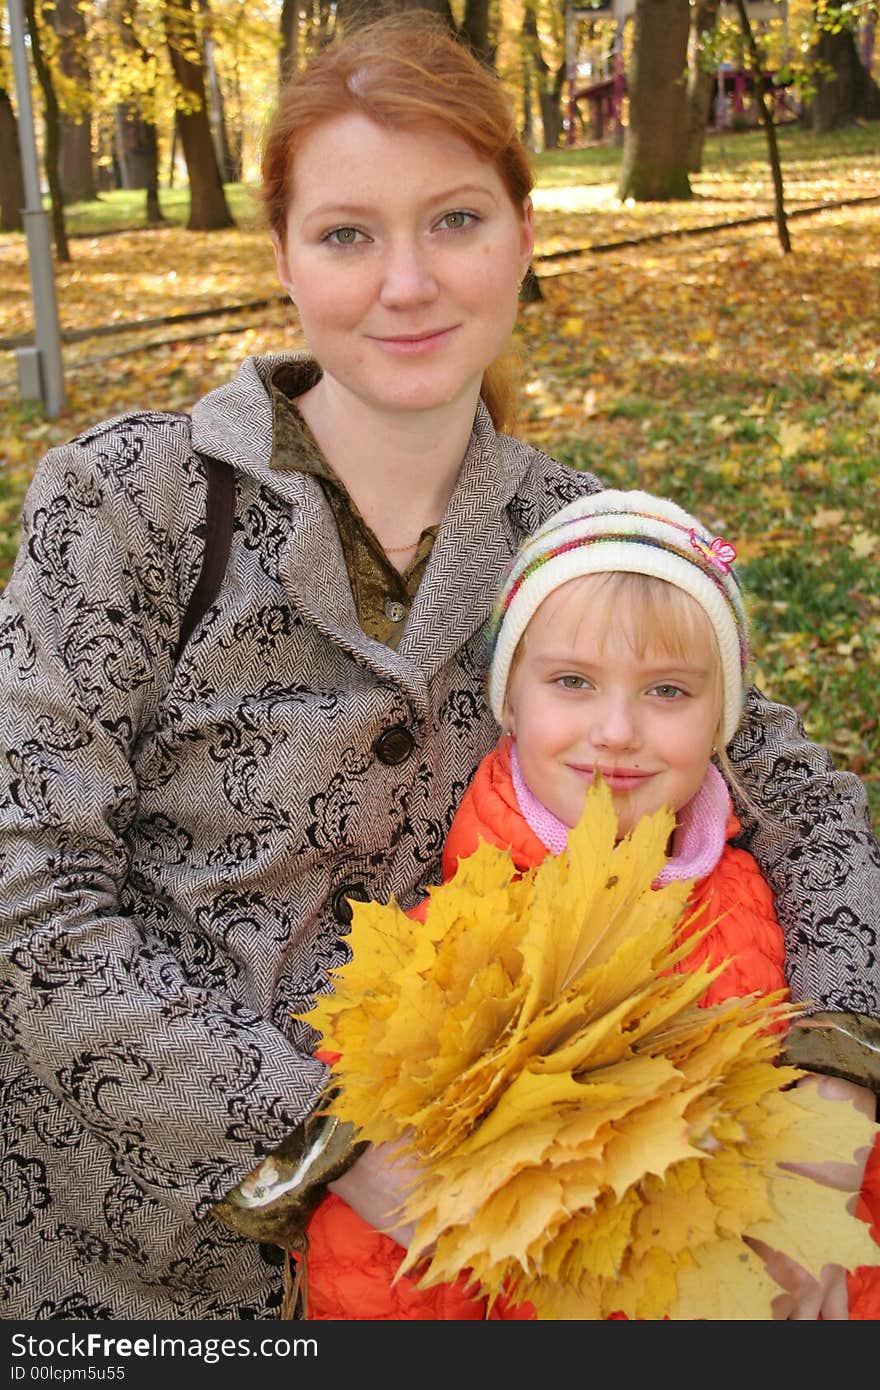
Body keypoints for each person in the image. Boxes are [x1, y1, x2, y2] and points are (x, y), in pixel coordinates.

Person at [0, 13, 877, 1321]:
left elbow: (801, 797)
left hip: (505, 1285)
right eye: (348, 233)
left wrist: (836, 1082)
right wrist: (330, 1138)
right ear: (286, 256)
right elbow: (28, 891)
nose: (406, 283)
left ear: (526, 236)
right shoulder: (134, 505)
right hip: (147, 1284)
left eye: (456, 220)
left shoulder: (584, 540)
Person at [302, 488, 880, 1321]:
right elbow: (384, 1262)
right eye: (573, 681)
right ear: (510, 701)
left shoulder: (782, 914)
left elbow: (845, 1190)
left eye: (669, 692)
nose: (616, 730)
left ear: (725, 716)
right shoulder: (441, 959)